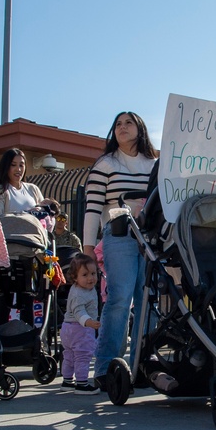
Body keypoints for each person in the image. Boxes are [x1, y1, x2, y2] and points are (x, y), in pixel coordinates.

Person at [82, 111, 158, 380]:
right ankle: (105, 368)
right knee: (120, 298)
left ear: (141, 129)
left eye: (129, 123)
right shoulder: (106, 164)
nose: (122, 127)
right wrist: (88, 249)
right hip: (119, 235)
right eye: (118, 124)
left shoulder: (155, 164)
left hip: (149, 239)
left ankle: (142, 365)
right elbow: (92, 209)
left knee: (148, 300)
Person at [60, 253, 102, 394]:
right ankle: (82, 383)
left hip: (67, 327)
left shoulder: (79, 289)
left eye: (93, 273)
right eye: (85, 275)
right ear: (75, 278)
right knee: (83, 356)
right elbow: (78, 311)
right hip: (80, 329)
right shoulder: (80, 294)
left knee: (70, 355)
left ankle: (67, 380)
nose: (90, 278)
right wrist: (88, 322)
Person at [0, 148, 44, 215]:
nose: (18, 169)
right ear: (5, 166)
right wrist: (27, 214)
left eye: (21, 165)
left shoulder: (33, 189)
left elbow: (46, 216)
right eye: (13, 165)